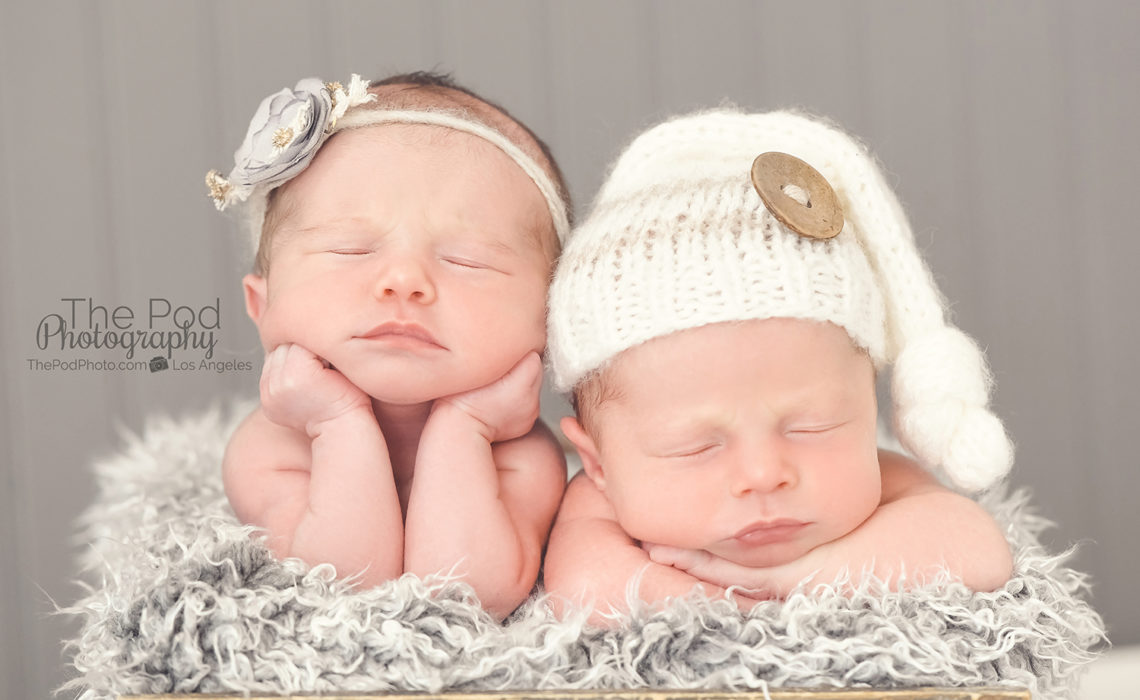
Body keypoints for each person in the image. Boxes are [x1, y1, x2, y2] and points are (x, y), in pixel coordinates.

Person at [543, 109, 1014, 623]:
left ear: (865, 405)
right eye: (696, 446)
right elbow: (585, 588)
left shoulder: (883, 478)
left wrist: (795, 580)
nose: (764, 474)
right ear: (598, 463)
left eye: (812, 427)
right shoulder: (599, 501)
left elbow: (979, 551)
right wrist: (717, 607)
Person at [210, 72, 571, 620]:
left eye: (467, 261)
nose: (404, 280)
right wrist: (336, 423)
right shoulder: (270, 451)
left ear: (548, 321)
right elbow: (344, 587)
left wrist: (465, 428)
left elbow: (464, 596)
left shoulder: (526, 460)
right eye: (350, 250)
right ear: (263, 307)